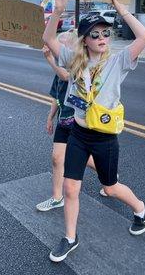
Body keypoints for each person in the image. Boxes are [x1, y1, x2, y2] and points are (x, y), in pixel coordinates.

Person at [43, 0, 145, 263]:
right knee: (71, 188)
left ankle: (140, 208)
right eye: (95, 34)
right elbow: (47, 39)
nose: (102, 38)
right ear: (84, 40)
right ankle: (70, 237)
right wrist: (58, 9)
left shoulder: (119, 61)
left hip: (104, 138)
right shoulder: (74, 60)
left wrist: (122, 9)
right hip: (78, 134)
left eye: (106, 32)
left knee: (111, 187)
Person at [36, 32, 101, 212]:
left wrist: (50, 60)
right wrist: (50, 117)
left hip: (77, 120)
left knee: (83, 157)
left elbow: (66, 76)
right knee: (57, 158)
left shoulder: (78, 65)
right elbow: (56, 96)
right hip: (63, 121)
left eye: (62, 47)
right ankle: (57, 198)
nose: (58, 51)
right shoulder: (58, 68)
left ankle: (109, 175)